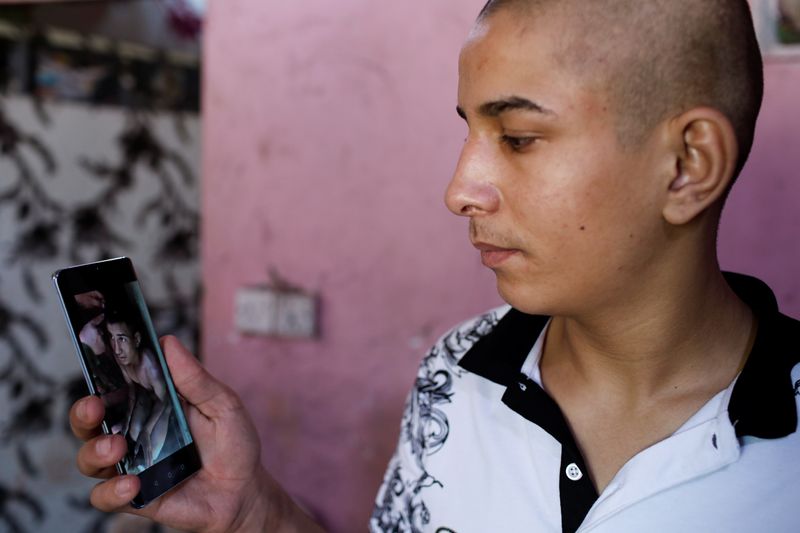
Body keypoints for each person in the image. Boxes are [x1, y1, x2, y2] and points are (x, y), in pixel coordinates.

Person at [68, 0, 800, 531]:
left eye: (516, 137)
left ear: (686, 166)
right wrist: (255, 510)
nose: (458, 191)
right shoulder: (461, 369)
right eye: (470, 132)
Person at [105, 308, 175, 472]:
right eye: (112, 338)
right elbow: (132, 388)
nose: (116, 349)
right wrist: (127, 422)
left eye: (121, 339)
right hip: (145, 396)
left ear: (136, 339)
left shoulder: (149, 366)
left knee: (152, 454)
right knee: (133, 435)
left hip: (163, 403)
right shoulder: (120, 357)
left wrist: (147, 429)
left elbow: (164, 399)